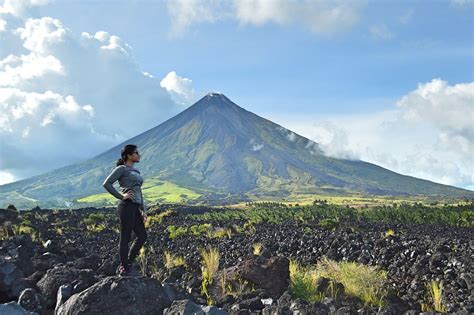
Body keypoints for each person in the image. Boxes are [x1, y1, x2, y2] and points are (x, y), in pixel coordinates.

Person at [102, 144, 148, 276]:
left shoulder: (136, 171)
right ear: (128, 155)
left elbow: (139, 191)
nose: (138, 155)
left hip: (135, 207)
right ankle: (124, 267)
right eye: (136, 153)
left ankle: (127, 262)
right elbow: (107, 183)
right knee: (126, 237)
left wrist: (143, 210)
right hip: (126, 206)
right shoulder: (122, 169)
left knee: (142, 236)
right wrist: (122, 196)